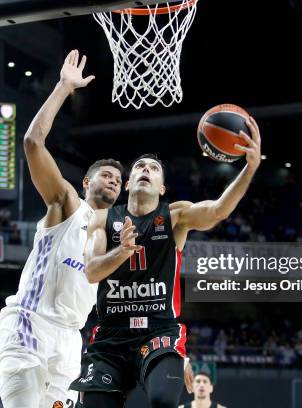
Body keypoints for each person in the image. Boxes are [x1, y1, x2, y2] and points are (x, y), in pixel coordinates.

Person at [71, 116, 261, 408]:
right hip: (111, 335)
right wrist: (121, 251)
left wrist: (250, 168)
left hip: (159, 332)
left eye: (154, 169)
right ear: (127, 183)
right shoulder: (102, 219)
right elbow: (92, 272)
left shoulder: (176, 216)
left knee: (163, 400)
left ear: (162, 188)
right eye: (139, 167)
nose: (146, 170)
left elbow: (218, 210)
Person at [0, 50, 124, 408]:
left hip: (70, 341)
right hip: (29, 323)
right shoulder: (67, 203)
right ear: (86, 181)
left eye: (118, 179)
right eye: (107, 175)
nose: (114, 180)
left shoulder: (116, 237)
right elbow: (32, 144)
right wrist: (64, 88)